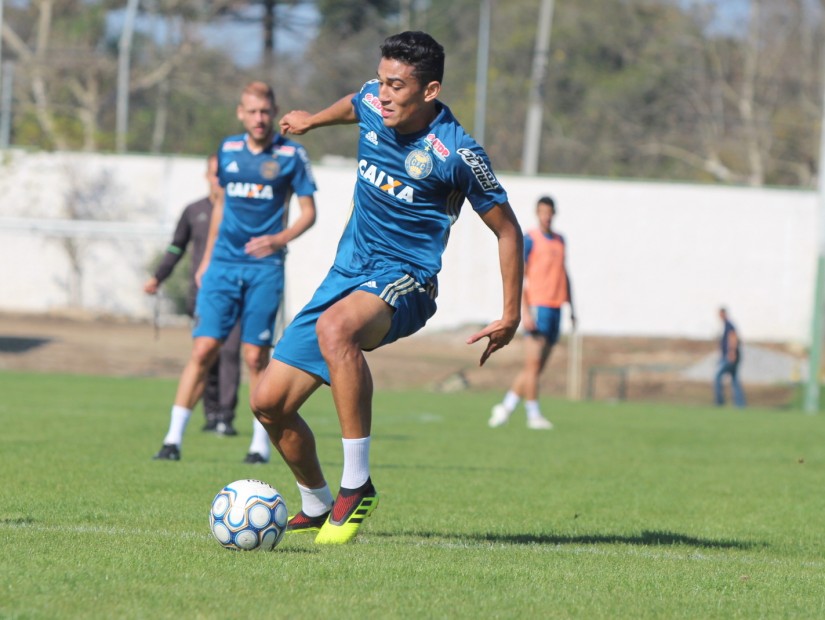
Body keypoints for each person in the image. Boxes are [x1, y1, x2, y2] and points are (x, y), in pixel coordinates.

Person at [250, 31, 523, 544]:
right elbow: (354, 104)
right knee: (268, 403)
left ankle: (357, 485)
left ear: (430, 90)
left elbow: (508, 231)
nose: (385, 94)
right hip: (347, 272)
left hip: (406, 278)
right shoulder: (374, 101)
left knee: (337, 330)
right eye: (382, 81)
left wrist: (511, 314)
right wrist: (312, 120)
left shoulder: (458, 154)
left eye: (398, 85)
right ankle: (316, 500)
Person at [153, 81, 318, 463]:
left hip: (264, 268)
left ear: (273, 113)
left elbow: (309, 213)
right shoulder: (227, 152)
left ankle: (259, 446)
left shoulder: (292, 155)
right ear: (240, 113)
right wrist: (208, 259)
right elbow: (221, 210)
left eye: (265, 112)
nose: (259, 119)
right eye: (252, 112)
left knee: (255, 357)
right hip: (223, 266)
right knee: (204, 348)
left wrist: (279, 238)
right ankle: (172, 439)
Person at [144, 154, 242, 436]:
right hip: (201, 295)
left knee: (231, 352)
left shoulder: (241, 210)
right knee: (205, 354)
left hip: (235, 292)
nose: (218, 180)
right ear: (206, 176)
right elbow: (176, 248)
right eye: (214, 174)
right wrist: (158, 277)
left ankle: (226, 415)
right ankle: (211, 413)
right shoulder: (193, 210)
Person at [489, 196, 575, 430]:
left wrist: (572, 307)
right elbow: (520, 275)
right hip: (537, 306)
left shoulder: (560, 241)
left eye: (549, 212)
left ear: (554, 213)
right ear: (537, 214)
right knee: (533, 365)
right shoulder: (530, 240)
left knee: (536, 368)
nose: (546, 216)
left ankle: (505, 407)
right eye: (542, 212)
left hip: (555, 306)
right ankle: (533, 414)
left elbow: (563, 273)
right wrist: (524, 311)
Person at [714, 307, 746, 407]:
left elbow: (733, 338)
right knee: (735, 381)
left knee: (717, 377)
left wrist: (731, 352)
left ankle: (720, 402)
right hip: (732, 357)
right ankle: (740, 404)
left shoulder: (729, 325)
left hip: (730, 357)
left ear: (724, 314)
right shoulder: (726, 326)